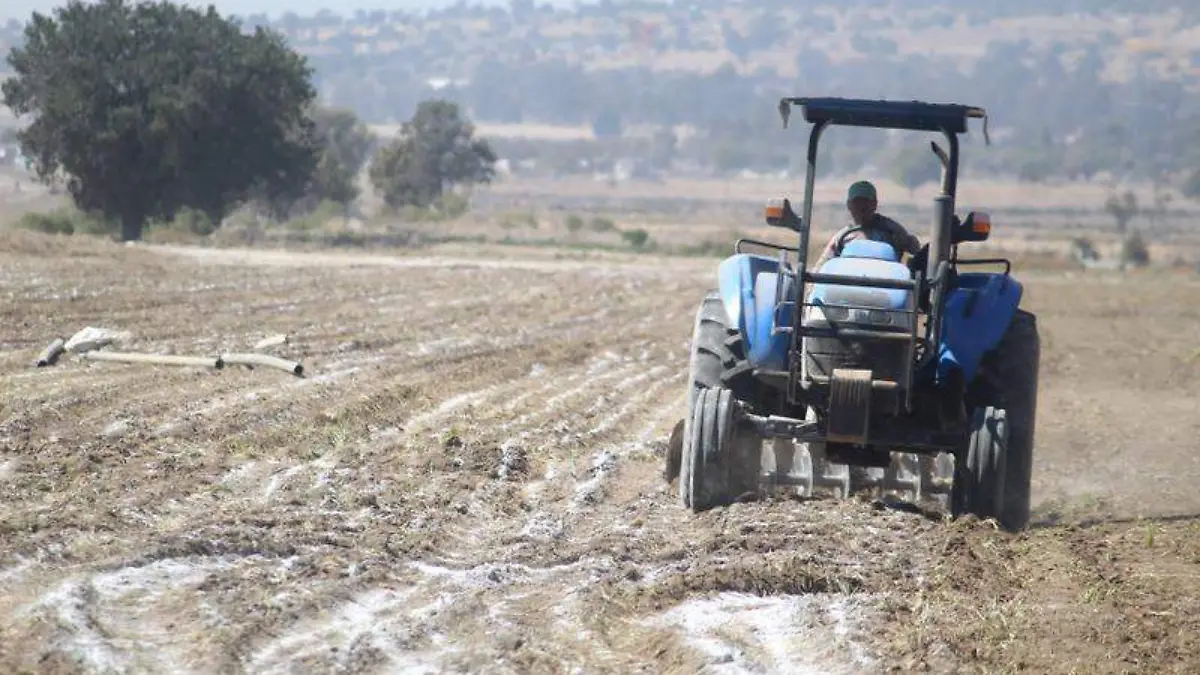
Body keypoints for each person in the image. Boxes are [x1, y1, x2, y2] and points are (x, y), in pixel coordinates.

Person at [812, 180, 921, 270]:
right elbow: (822, 267)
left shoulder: (892, 230)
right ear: (849, 205)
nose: (861, 207)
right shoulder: (842, 237)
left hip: (885, 287)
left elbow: (916, 253)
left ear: (874, 204)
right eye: (857, 202)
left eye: (866, 202)